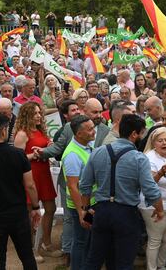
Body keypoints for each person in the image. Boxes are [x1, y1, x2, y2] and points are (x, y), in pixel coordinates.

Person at [80, 114, 164, 269]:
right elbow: (151, 190)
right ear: (133, 134)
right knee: (124, 263)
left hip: (101, 211)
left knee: (94, 259)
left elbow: (85, 185)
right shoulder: (139, 158)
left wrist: (85, 209)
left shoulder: (98, 152)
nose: (142, 137)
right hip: (126, 214)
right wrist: (159, 210)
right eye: (141, 133)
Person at [14, 102, 62, 261]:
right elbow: (17, 159)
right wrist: (34, 155)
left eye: (39, 113)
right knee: (30, 215)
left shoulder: (40, 130)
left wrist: (49, 146)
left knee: (51, 208)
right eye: (35, 113)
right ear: (27, 115)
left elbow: (45, 147)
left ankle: (45, 244)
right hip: (30, 175)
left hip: (44, 173)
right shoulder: (22, 133)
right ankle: (31, 250)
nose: (39, 116)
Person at [0, 114, 41, 270]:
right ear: (4, 131)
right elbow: (30, 185)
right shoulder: (18, 155)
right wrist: (36, 207)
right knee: (27, 256)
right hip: (17, 213)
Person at [140, 127, 166, 270]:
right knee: (155, 240)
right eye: (160, 141)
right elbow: (149, 182)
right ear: (154, 143)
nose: (164, 143)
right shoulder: (149, 157)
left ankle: (161, 266)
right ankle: (151, 268)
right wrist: (160, 172)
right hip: (156, 206)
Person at [61, 115, 95, 270]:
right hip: (82, 206)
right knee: (81, 240)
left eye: (93, 127)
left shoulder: (87, 145)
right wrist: (82, 211)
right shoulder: (73, 155)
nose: (94, 131)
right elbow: (73, 186)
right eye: (89, 129)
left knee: (87, 239)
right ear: (79, 134)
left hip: (89, 204)